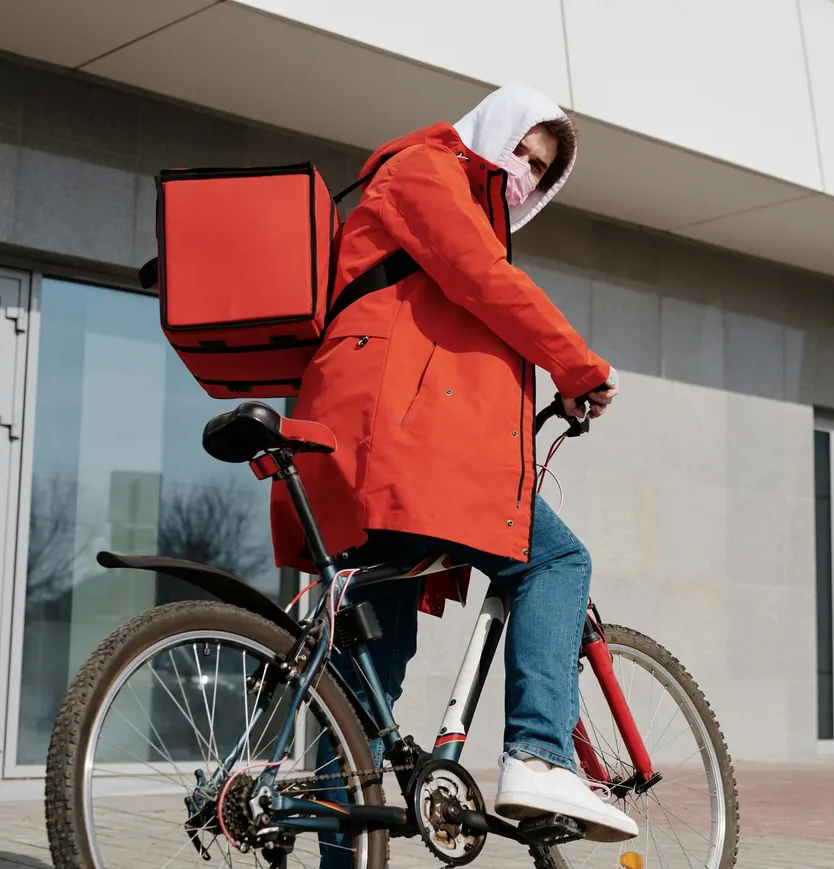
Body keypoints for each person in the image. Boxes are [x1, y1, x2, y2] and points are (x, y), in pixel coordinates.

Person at [269, 83, 637, 861]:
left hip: (381, 451)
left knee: (369, 681)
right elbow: (483, 278)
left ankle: (347, 855)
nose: (525, 176)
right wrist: (578, 366)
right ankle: (539, 754)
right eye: (522, 153)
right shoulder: (423, 169)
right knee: (558, 557)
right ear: (491, 130)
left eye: (541, 171)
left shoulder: (438, 187)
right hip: (392, 448)